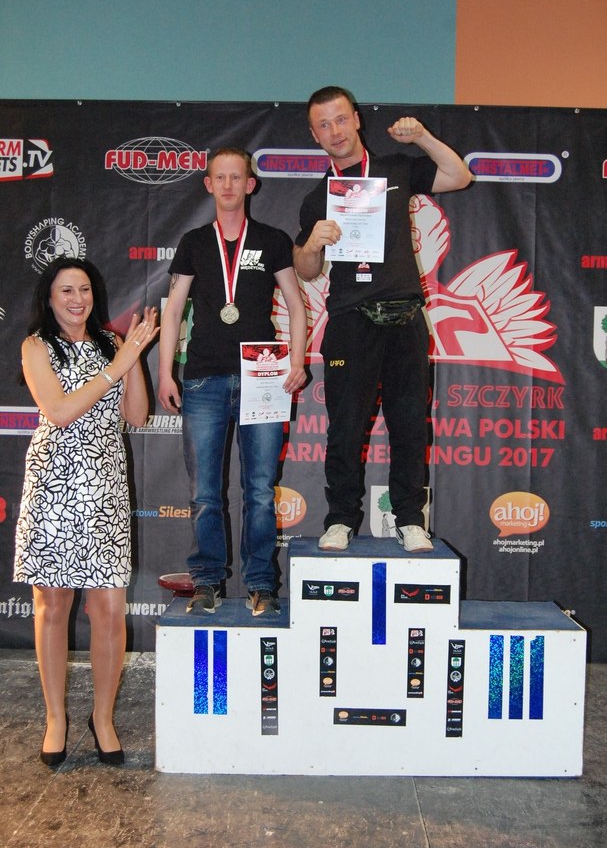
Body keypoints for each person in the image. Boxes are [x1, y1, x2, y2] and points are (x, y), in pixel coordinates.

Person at [293, 86, 473, 553]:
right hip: (349, 321)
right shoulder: (317, 196)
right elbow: (306, 269)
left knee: (409, 423)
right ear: (315, 135)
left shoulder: (395, 168)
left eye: (340, 119)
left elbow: (460, 176)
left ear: (356, 119)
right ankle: (340, 519)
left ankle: (410, 519)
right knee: (345, 427)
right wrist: (312, 243)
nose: (335, 131)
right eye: (324, 125)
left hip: (403, 315)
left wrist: (423, 138)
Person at [13, 256, 159, 768]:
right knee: (52, 606)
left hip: (104, 488)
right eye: (66, 291)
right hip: (53, 486)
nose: (77, 300)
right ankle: (56, 718)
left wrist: (132, 355)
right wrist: (118, 365)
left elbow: (137, 414)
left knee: (109, 610)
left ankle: (103, 717)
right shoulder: (36, 346)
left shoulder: (113, 345)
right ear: (50, 299)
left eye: (84, 290)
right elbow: (58, 411)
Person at [157, 147, 307, 616]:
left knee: (260, 490)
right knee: (205, 493)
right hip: (203, 378)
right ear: (208, 185)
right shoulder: (193, 241)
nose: (227, 185)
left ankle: (261, 583)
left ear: (250, 184)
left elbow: (296, 304)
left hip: (262, 377)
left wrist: (297, 360)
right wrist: (165, 371)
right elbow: (174, 311)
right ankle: (207, 582)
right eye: (219, 177)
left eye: (236, 177)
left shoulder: (273, 239)